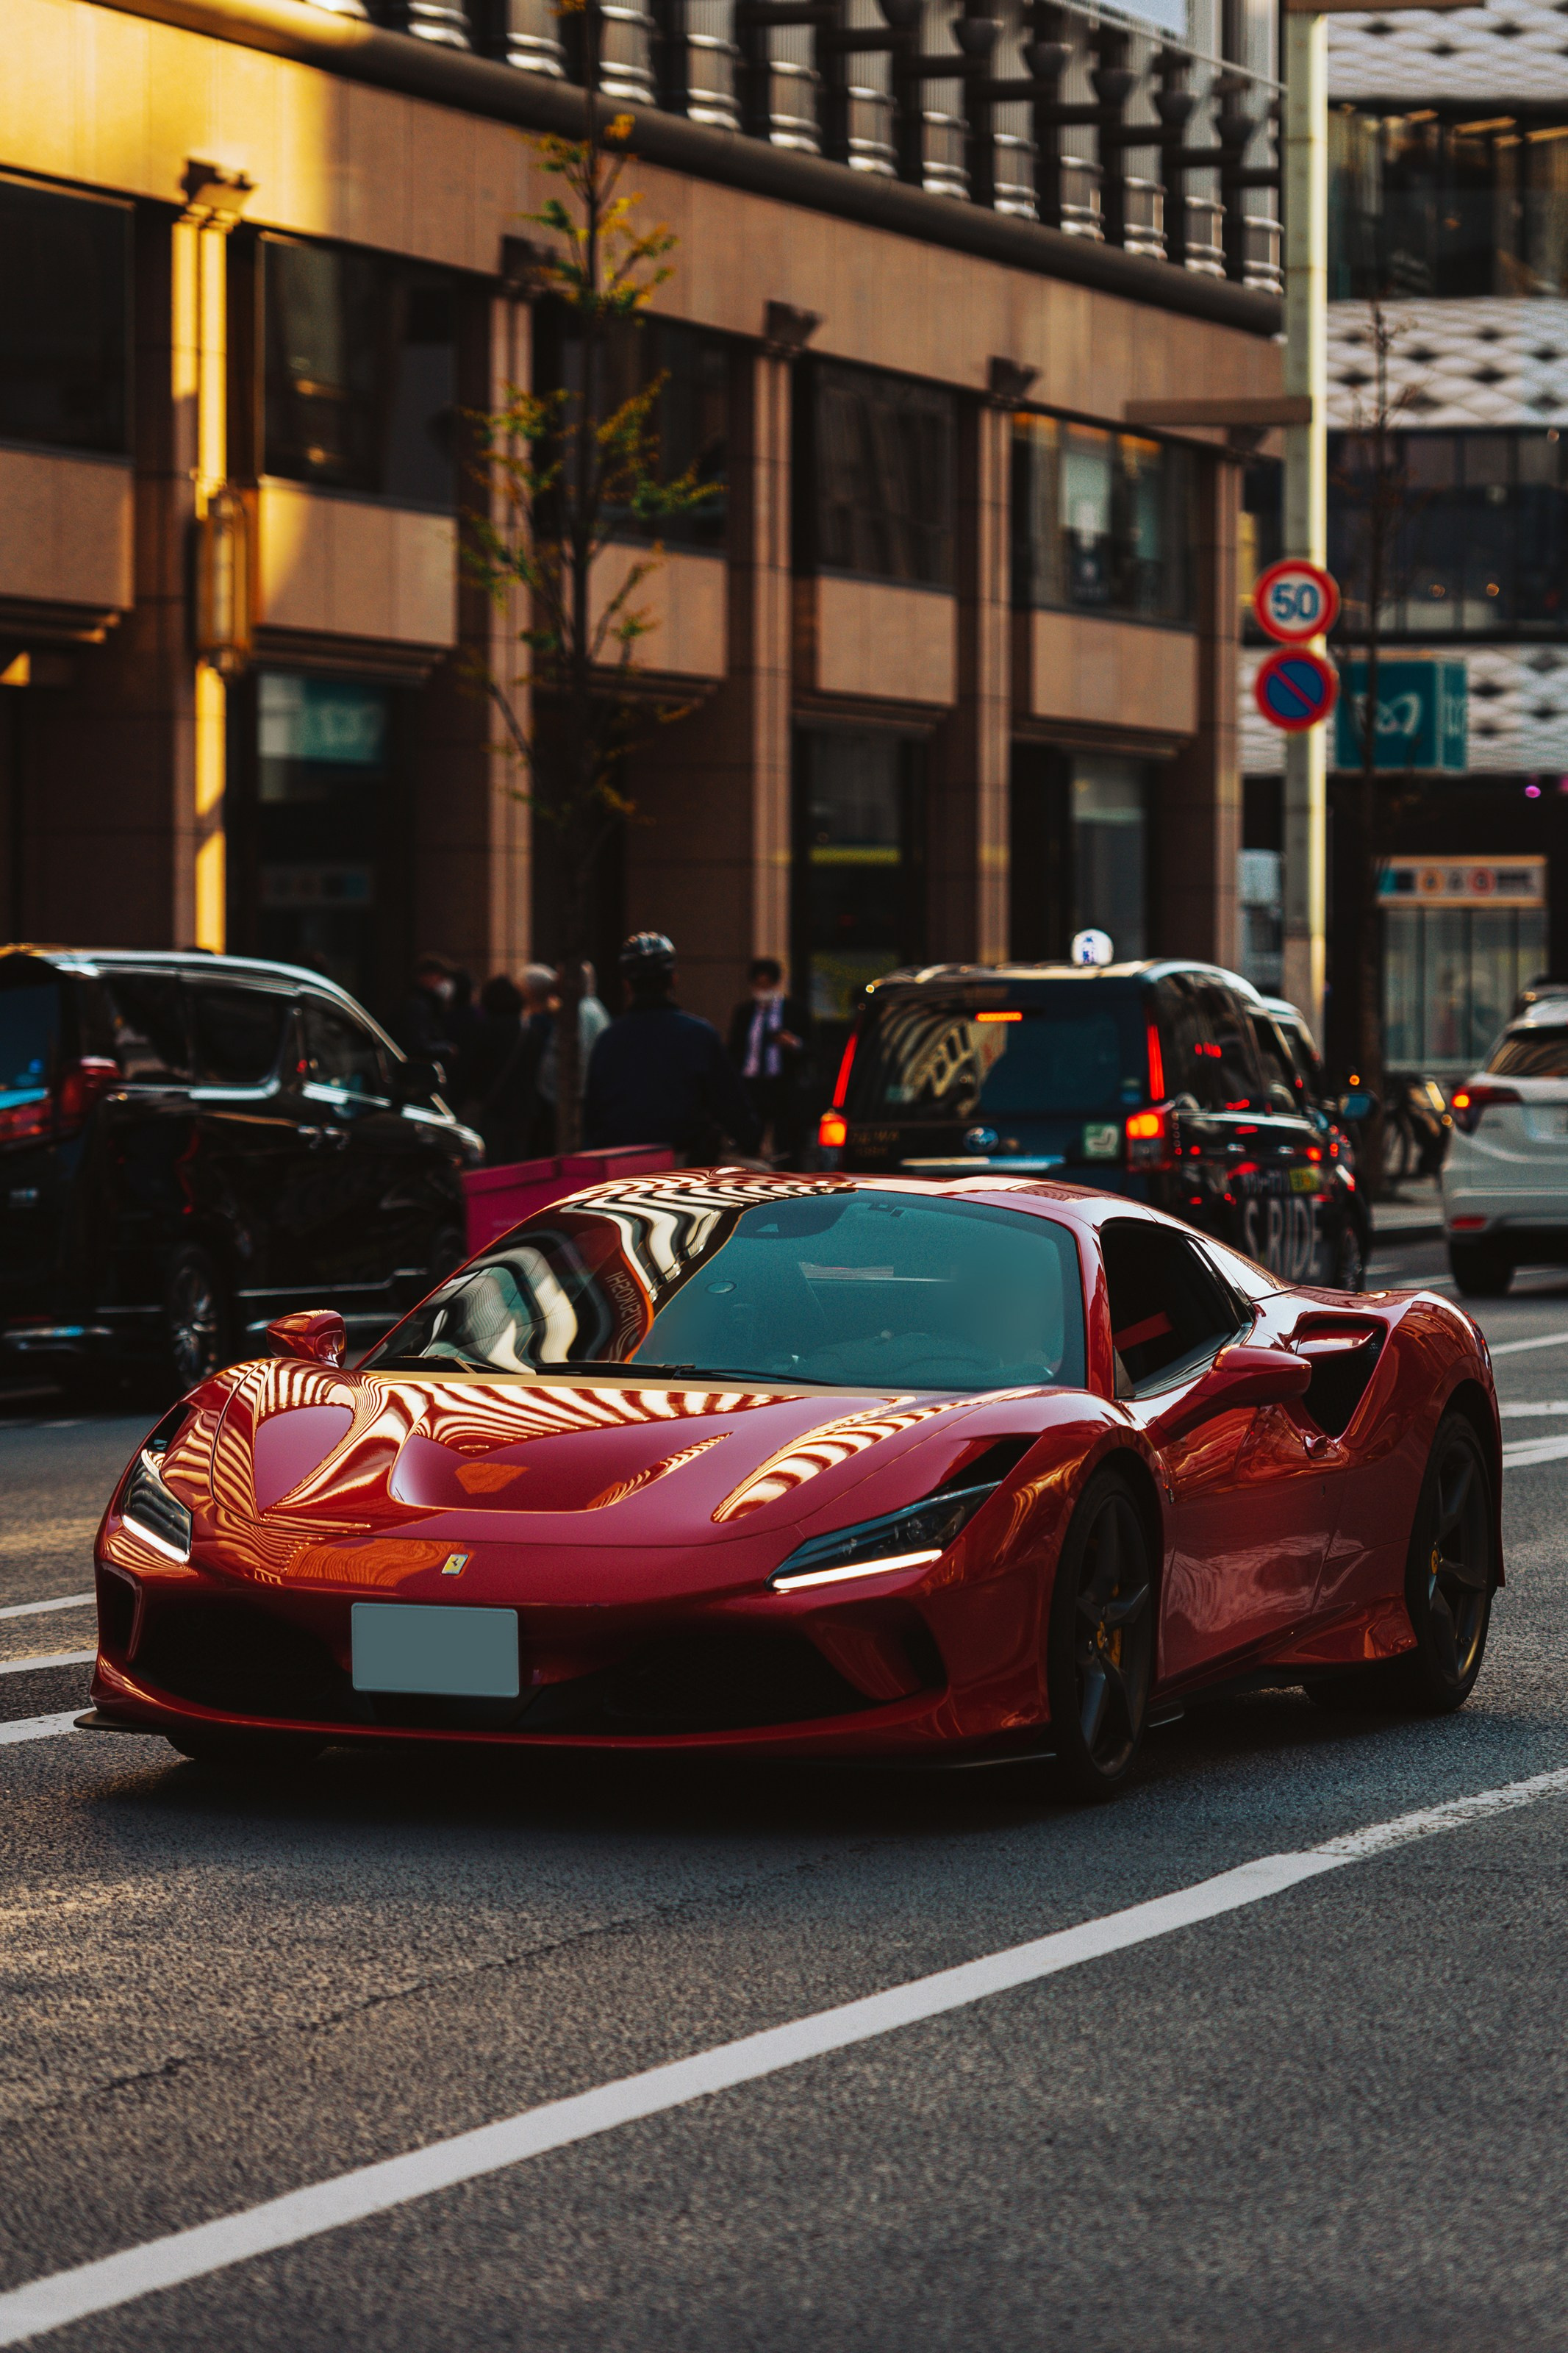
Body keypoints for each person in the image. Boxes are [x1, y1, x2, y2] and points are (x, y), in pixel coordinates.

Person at [586, 932, 761, 1160]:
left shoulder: (608, 1040)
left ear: (627, 985)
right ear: (673, 980)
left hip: (620, 1169)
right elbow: (731, 1106)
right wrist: (751, 1143)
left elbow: (593, 1116)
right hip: (683, 1167)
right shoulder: (699, 1035)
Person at [727, 955, 812, 1165]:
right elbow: (734, 1048)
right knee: (750, 1141)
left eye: (767, 984)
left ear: (776, 983)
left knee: (787, 1143)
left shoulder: (795, 1011)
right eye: (758, 985)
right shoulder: (745, 1013)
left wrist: (792, 1043)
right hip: (752, 1084)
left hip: (782, 1084)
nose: (763, 990)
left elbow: (813, 1048)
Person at [452, 974, 540, 1165]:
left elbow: (471, 1071)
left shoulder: (484, 1030)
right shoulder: (529, 1031)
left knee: (492, 1166)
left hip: (492, 1110)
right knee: (517, 1164)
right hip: (523, 1110)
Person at [536, 960, 612, 1140]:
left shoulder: (580, 1012)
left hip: (574, 1100)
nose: (557, 985)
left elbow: (578, 1057)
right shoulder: (594, 1008)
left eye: (562, 980)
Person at [391, 952, 460, 1068]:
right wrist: (447, 1049)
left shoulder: (426, 1003)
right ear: (425, 977)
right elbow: (418, 1045)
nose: (443, 983)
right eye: (440, 977)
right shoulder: (417, 1005)